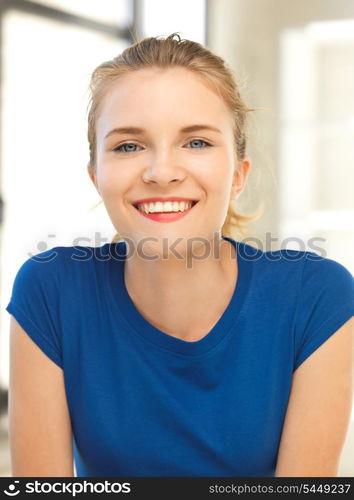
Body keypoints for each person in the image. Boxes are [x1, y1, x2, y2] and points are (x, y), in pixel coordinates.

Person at [6, 33, 354, 478]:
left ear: (237, 175)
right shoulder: (50, 290)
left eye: (196, 142)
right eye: (128, 146)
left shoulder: (314, 295)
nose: (162, 173)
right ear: (97, 176)